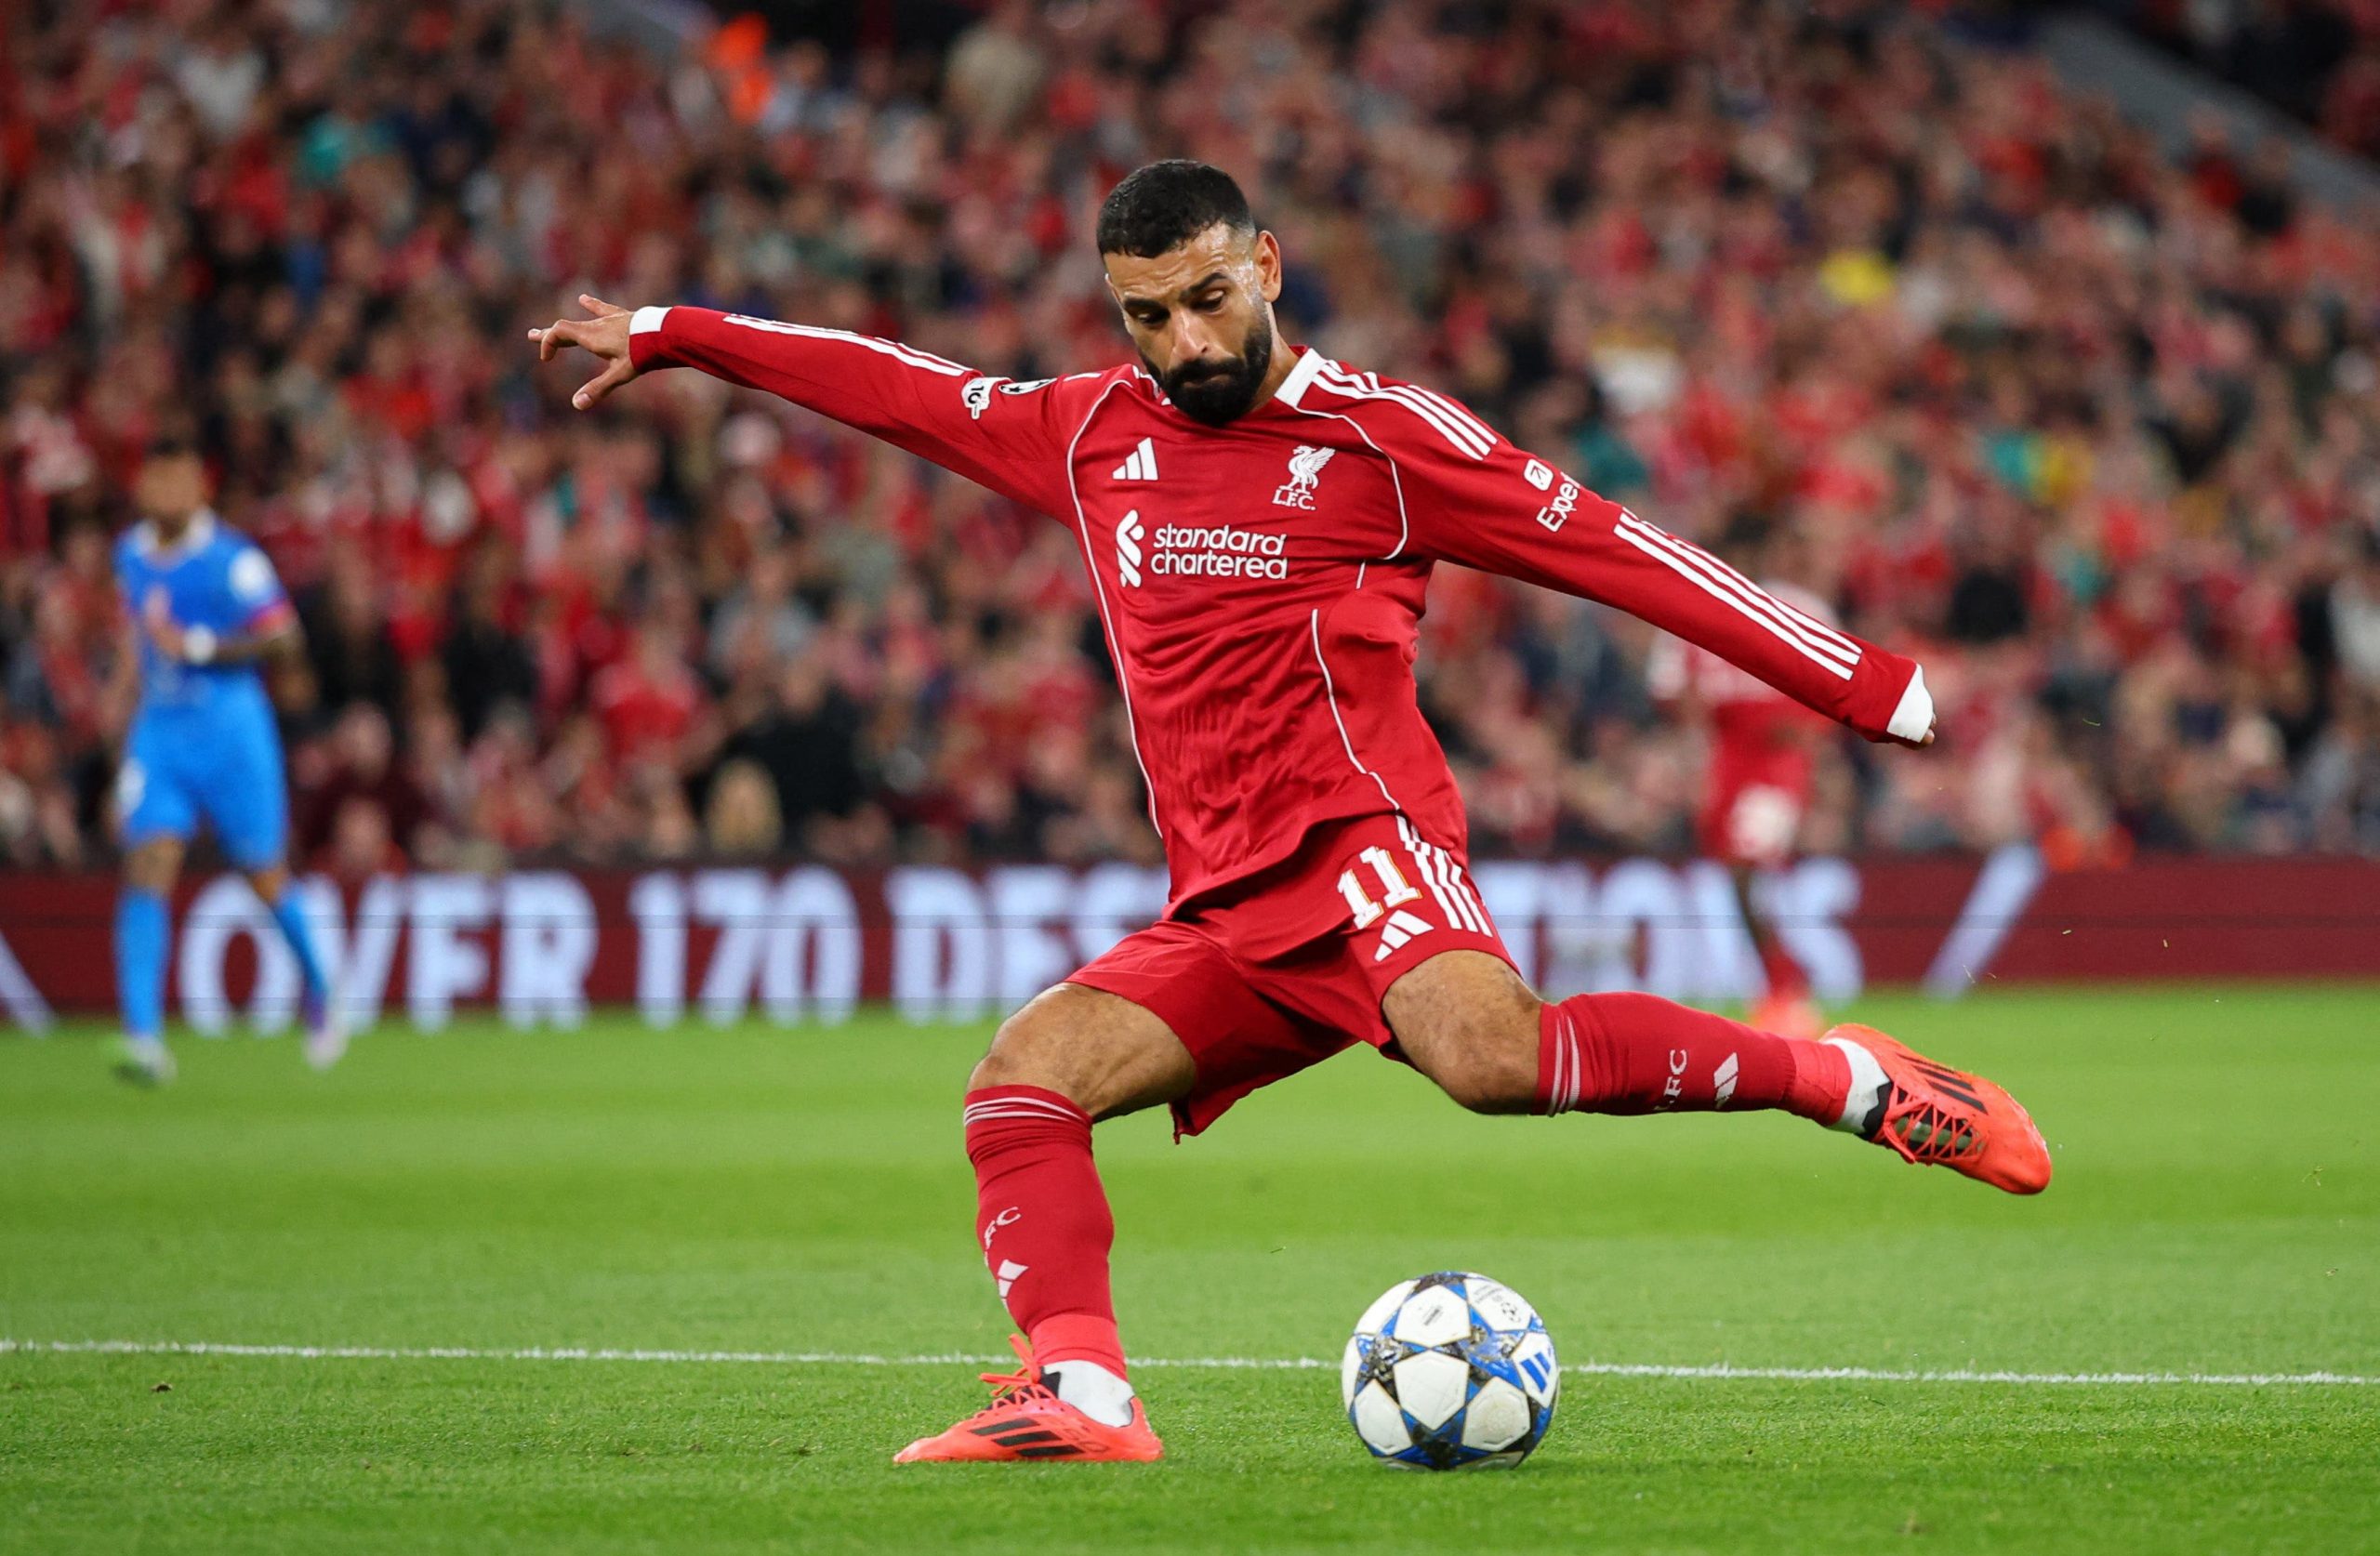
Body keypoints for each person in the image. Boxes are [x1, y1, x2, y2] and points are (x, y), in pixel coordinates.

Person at [532, 160, 2050, 1465]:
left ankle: (1847, 1080)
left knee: (1490, 1062)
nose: (1183, 340)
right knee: (1022, 1084)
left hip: (1363, 845)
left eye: (1206, 298)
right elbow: (893, 384)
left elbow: (1620, 550)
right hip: (1230, 906)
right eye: (1146, 315)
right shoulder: (1088, 434)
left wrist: (1864, 685)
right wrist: (674, 335)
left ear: (1265, 265)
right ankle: (1084, 1395)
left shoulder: (1386, 439)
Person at [108, 436, 344, 1082]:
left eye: (179, 480)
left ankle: (320, 985)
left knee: (263, 875)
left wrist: (200, 647)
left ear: (201, 488)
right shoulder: (129, 553)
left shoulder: (231, 561)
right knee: (148, 862)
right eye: (157, 480)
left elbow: (284, 638)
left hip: (232, 734)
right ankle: (142, 1038)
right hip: (160, 733)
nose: (166, 493)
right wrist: (119, 719)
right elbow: (137, 640)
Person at [1646, 521, 1837, 1039]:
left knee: (1749, 867)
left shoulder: (1798, 611)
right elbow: (1671, 694)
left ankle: (1787, 989)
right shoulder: (1688, 616)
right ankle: (1778, 988)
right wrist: (1694, 753)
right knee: (1736, 876)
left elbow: (1830, 691)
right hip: (1726, 763)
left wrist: (1810, 754)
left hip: (1778, 763)